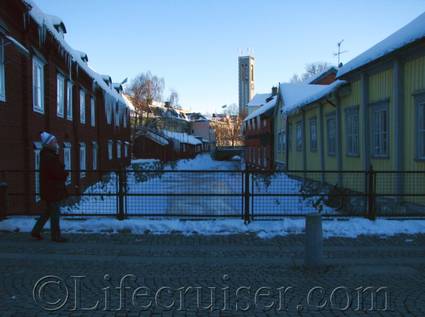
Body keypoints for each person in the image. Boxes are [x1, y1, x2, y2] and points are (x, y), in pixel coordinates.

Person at [31, 132, 68, 242]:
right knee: (55, 213)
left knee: (48, 211)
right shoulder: (50, 157)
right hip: (53, 189)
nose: (56, 143)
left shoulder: (47, 155)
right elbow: (56, 173)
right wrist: (64, 173)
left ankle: (36, 231)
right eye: (54, 141)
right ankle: (56, 236)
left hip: (49, 189)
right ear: (48, 143)